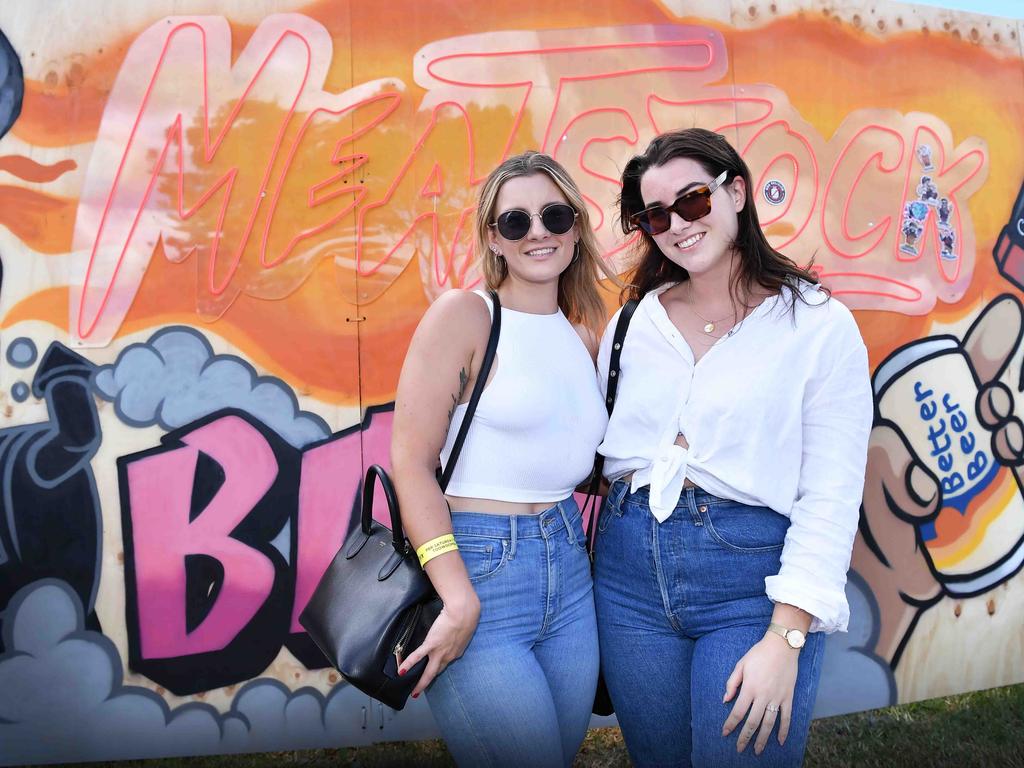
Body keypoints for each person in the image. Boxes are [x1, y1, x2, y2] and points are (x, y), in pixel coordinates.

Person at [594, 128, 872, 767]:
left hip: (750, 582)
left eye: (692, 200)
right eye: (654, 215)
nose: (676, 225)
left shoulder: (817, 325)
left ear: (737, 191)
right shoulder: (633, 322)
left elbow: (830, 495)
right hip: (628, 576)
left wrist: (787, 636)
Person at [389, 151, 617, 767]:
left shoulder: (583, 335)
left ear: (575, 227)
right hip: (480, 567)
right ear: (494, 237)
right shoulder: (465, 316)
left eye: (553, 215)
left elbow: (574, 459)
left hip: (570, 573)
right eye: (515, 222)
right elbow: (409, 464)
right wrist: (456, 595)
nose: (537, 232)